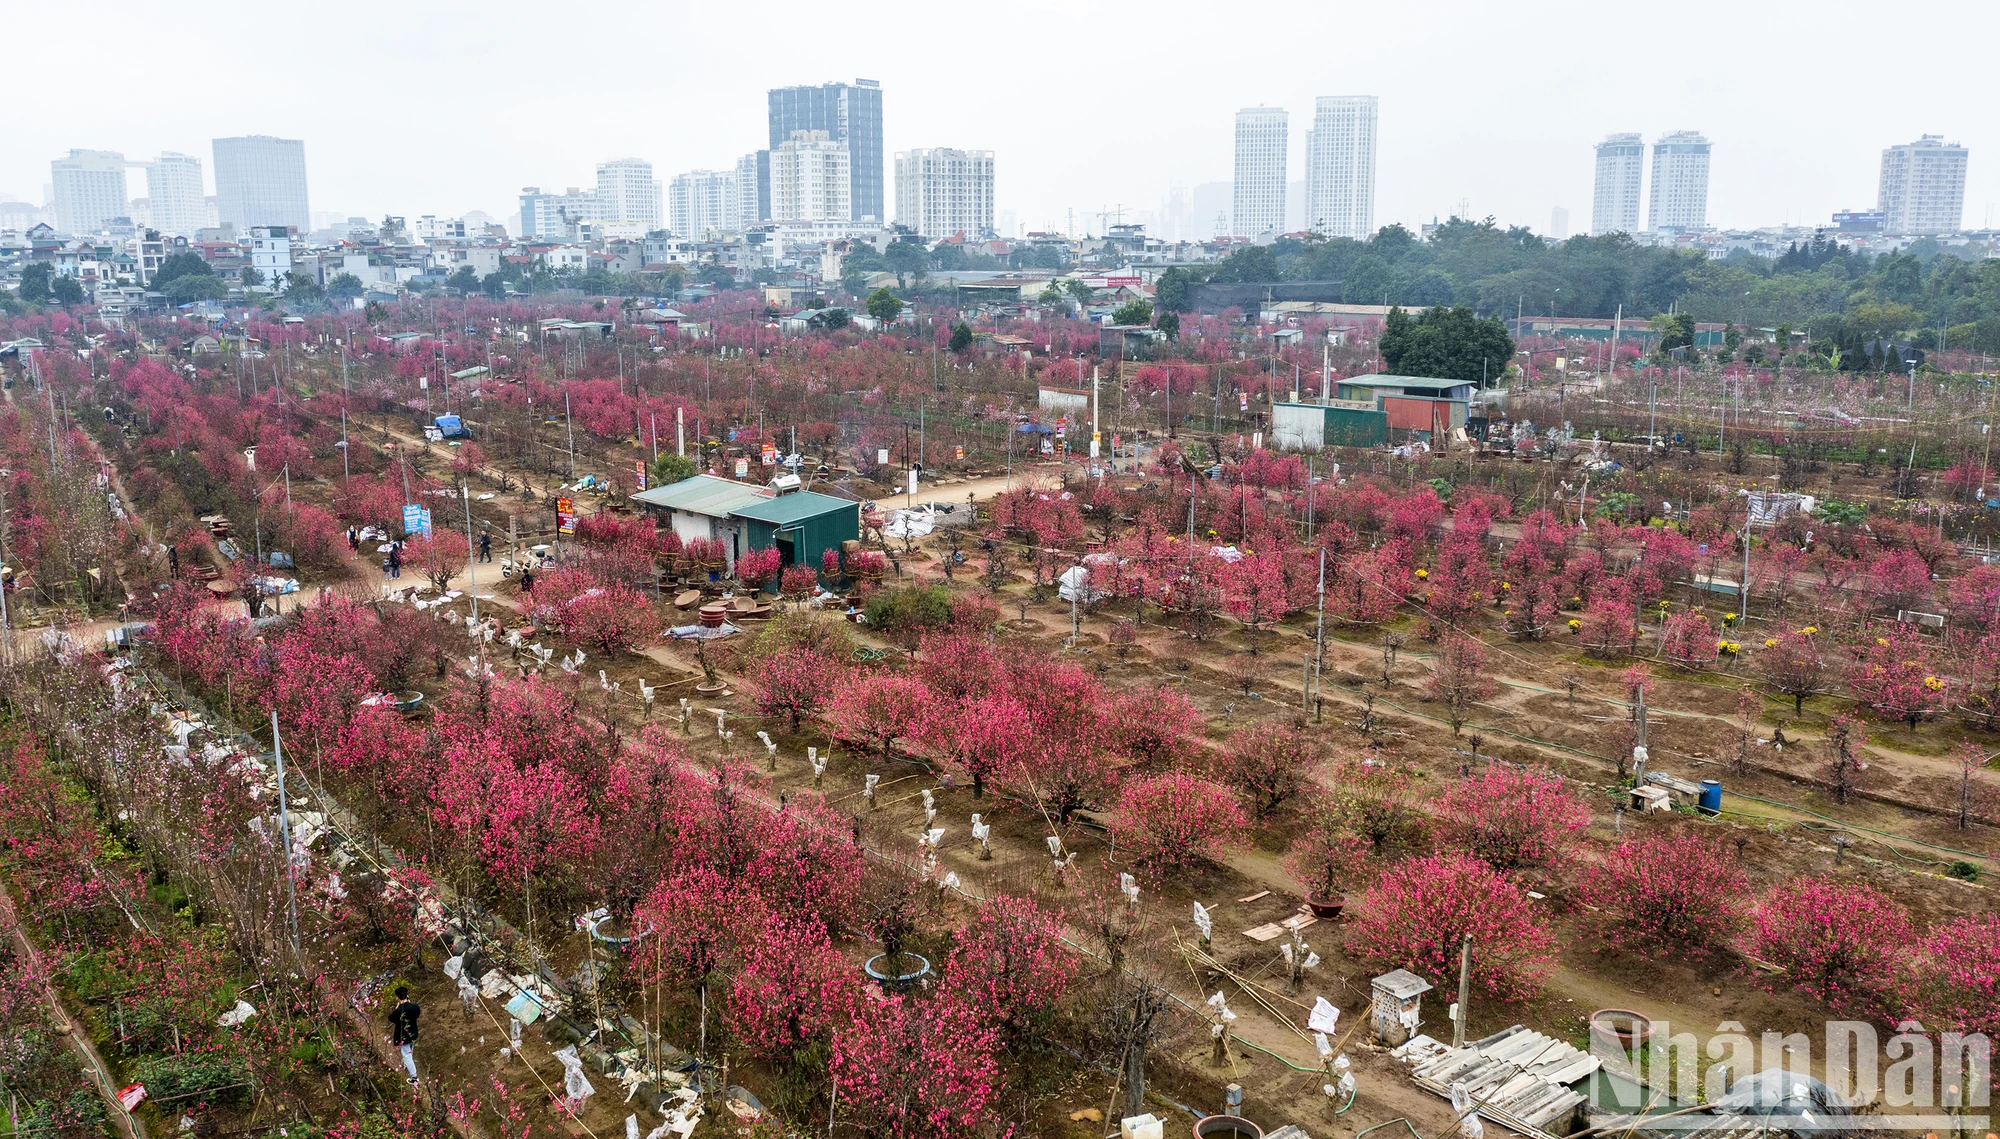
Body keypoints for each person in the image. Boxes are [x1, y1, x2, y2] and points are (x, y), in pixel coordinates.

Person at [388, 985, 421, 1084]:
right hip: (413, 1033)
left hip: (403, 1036)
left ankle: (414, 1077)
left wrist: (397, 1007)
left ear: (397, 997)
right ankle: (407, 1065)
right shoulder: (415, 1007)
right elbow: (416, 1014)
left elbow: (391, 1018)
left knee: (407, 1055)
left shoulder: (398, 1011)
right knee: (410, 1051)